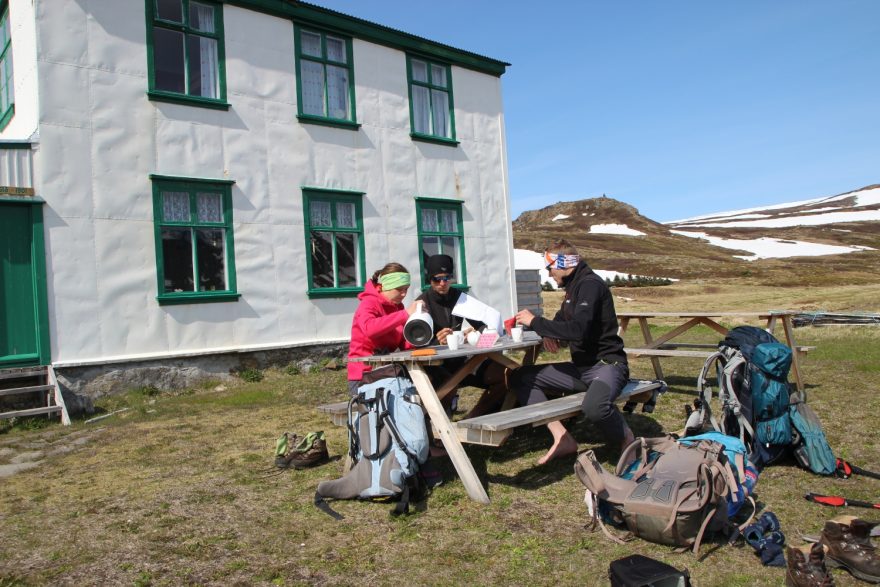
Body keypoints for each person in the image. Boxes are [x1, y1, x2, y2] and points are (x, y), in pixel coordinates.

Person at [512, 240, 633, 465]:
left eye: (550, 268)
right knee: (522, 377)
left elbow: (578, 330)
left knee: (594, 408)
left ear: (564, 263)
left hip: (607, 365)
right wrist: (550, 333)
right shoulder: (573, 288)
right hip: (581, 369)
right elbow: (562, 322)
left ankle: (627, 439)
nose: (548, 274)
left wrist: (535, 321)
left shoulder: (590, 285)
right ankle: (562, 437)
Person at [416, 254, 508, 417]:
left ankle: (473, 419)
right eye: (437, 279)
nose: (443, 283)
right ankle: (440, 435)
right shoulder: (422, 303)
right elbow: (414, 343)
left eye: (447, 278)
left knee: (506, 375)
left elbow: (489, 322)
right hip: (437, 365)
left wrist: (476, 335)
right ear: (429, 279)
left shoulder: (459, 297)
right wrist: (436, 341)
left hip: (466, 361)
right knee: (446, 387)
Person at [347, 262, 420, 395]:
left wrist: (420, 339)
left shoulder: (397, 307)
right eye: (399, 289)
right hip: (364, 376)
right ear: (382, 287)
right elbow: (370, 329)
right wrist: (405, 314)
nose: (404, 294)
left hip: (386, 370)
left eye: (406, 289)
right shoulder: (369, 303)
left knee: (434, 376)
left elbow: (403, 341)